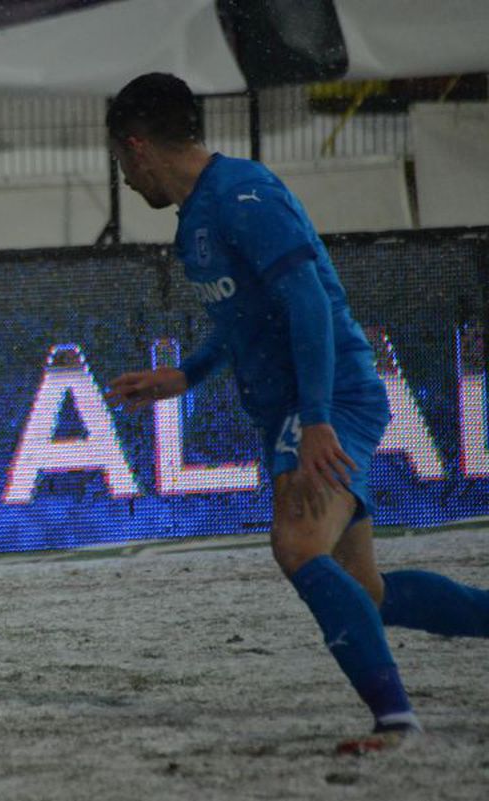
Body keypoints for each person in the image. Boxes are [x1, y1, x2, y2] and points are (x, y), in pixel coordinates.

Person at [103, 73, 489, 753]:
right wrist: (185, 374)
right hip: (307, 401)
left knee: (297, 542)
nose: (128, 183)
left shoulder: (241, 195)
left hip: (329, 394)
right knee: (363, 589)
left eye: (121, 165)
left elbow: (308, 300)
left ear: (136, 148)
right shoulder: (198, 215)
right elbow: (244, 314)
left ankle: (396, 720)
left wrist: (316, 418)